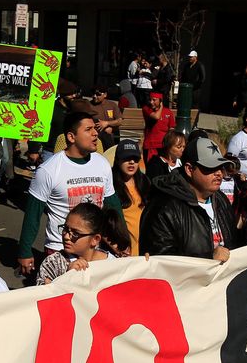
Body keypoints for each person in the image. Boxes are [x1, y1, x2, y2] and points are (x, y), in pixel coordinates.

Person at [17, 112, 121, 277]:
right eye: (88, 129)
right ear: (71, 137)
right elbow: (32, 214)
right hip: (60, 248)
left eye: (95, 128)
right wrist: (25, 251)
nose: (95, 133)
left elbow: (113, 206)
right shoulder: (48, 170)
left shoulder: (102, 164)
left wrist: (122, 241)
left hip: (94, 248)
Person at [140, 137, 239, 261]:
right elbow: (160, 263)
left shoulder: (221, 200)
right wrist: (208, 259)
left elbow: (235, 245)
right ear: (189, 169)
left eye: (220, 167)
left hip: (224, 279)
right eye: (210, 167)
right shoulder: (163, 209)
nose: (219, 173)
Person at [36, 201, 129, 284]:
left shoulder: (114, 263)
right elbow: (40, 297)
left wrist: (144, 263)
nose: (66, 236)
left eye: (75, 233)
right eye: (65, 229)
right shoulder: (53, 263)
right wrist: (67, 277)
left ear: (95, 239)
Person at [111, 140, 149, 256]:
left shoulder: (145, 182)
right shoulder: (110, 185)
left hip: (145, 252)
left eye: (135, 159)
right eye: (127, 158)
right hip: (123, 253)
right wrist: (116, 247)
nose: (132, 162)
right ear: (117, 160)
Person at [142, 91, 176, 161]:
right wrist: (161, 107)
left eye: (154, 100)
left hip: (163, 146)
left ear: (160, 100)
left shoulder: (168, 112)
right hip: (151, 146)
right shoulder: (147, 109)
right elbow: (156, 117)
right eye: (150, 99)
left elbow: (172, 128)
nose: (151, 102)